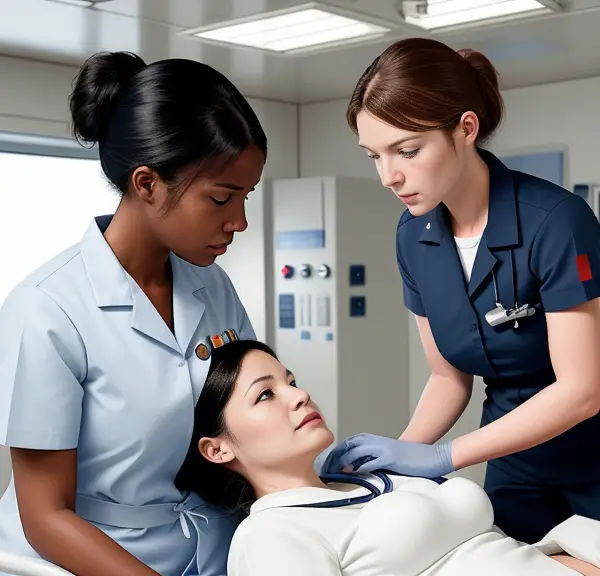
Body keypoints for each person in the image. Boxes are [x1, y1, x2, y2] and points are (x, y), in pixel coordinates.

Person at [321, 36, 600, 545]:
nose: (389, 176)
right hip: (514, 465)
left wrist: (446, 456)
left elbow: (581, 391)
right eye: (374, 155)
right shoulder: (414, 236)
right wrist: (392, 462)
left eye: (407, 150)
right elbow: (448, 378)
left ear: (465, 129)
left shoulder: (556, 222)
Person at [0, 51, 266, 576]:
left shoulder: (213, 286)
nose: (240, 221)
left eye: (247, 196)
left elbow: (252, 427)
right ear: (147, 184)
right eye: (221, 199)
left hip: (209, 549)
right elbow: (46, 516)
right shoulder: (48, 310)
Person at [175, 339, 600, 576]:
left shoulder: (362, 479)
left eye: (291, 381)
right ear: (217, 448)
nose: (299, 395)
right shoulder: (270, 535)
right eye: (266, 394)